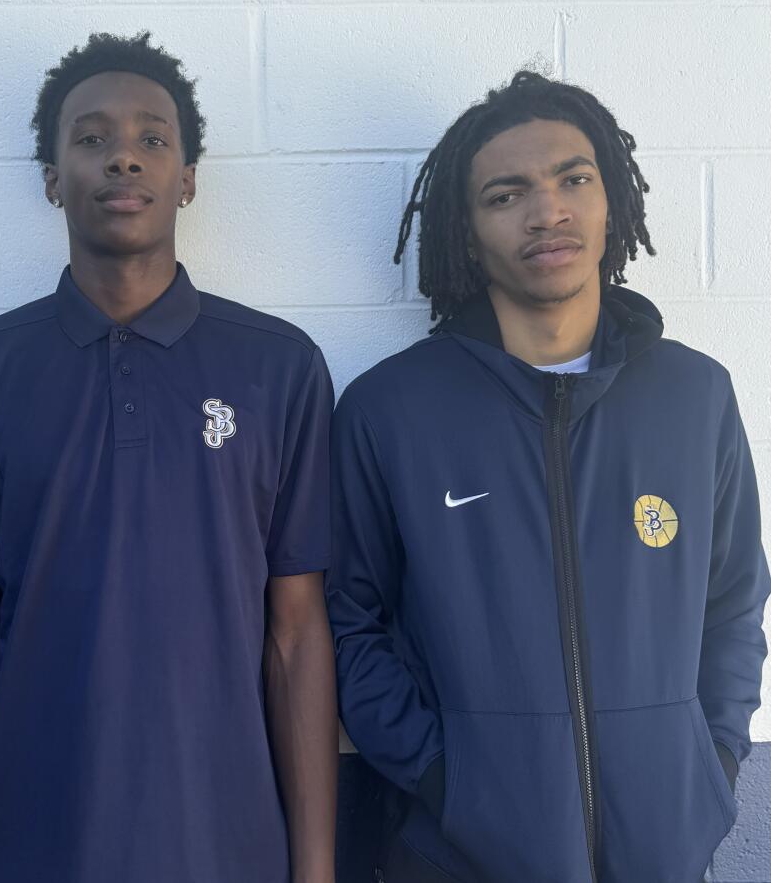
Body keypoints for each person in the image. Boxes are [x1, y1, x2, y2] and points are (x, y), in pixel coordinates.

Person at [328, 71, 770, 882]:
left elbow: (735, 602)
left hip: (664, 851)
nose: (549, 211)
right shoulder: (389, 410)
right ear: (466, 231)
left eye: (574, 179)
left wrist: (708, 770)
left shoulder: (694, 395)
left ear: (611, 203)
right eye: (507, 194)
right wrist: (446, 783)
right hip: (461, 854)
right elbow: (349, 623)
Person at [0, 31, 337, 883]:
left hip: (228, 842)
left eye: (153, 139)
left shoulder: (279, 366)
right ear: (51, 179)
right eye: (91, 139)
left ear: (187, 178)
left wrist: (317, 867)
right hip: (30, 838)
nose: (123, 159)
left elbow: (296, 635)